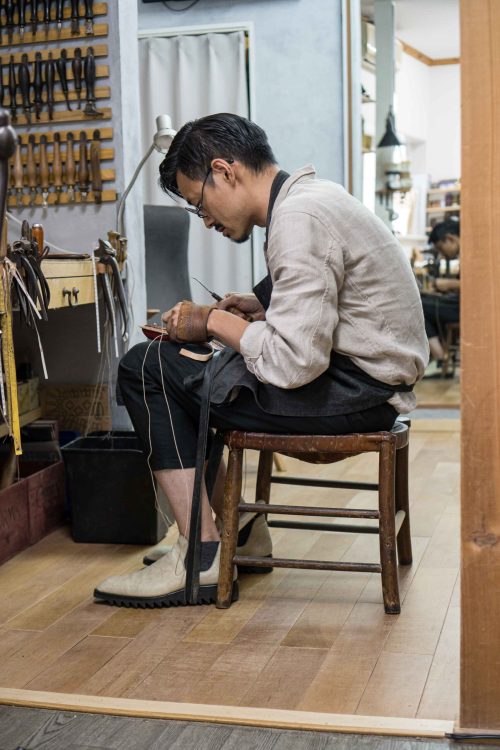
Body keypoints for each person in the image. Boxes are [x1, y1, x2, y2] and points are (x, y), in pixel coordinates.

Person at [94, 113, 429, 608]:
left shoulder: (297, 220)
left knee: (146, 368)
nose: (205, 219)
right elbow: (332, 305)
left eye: (198, 203)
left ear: (225, 171)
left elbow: (294, 363)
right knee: (188, 366)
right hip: (370, 382)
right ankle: (238, 530)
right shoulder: (314, 197)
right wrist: (258, 307)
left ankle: (202, 554)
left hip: (357, 393)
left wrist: (213, 323)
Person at [420, 219, 460, 363]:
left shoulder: (473, 254)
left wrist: (448, 284)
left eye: (441, 248)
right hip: (460, 305)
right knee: (422, 299)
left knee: (418, 306)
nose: (442, 254)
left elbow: (476, 287)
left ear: (450, 239)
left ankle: (441, 356)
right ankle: (440, 355)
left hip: (465, 310)